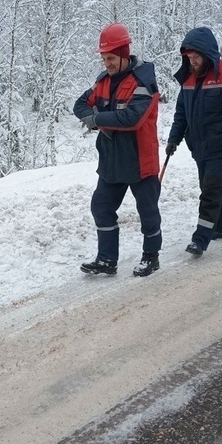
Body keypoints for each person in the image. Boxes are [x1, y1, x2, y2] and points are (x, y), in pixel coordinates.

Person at [74, 23, 162, 277]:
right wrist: (93, 116)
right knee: (101, 206)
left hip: (140, 161)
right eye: (104, 58)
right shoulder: (102, 82)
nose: (107, 64)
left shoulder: (143, 83)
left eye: (111, 58)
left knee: (147, 211)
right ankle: (106, 259)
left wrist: (97, 119)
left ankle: (151, 256)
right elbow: (79, 104)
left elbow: (132, 119)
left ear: (124, 54)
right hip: (111, 161)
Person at [166, 27, 222, 258]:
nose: (192, 62)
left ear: (208, 54)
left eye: (196, 57)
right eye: (189, 58)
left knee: (210, 191)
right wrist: (174, 138)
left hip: (221, 147)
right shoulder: (188, 79)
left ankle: (200, 239)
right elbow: (181, 113)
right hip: (198, 146)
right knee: (209, 186)